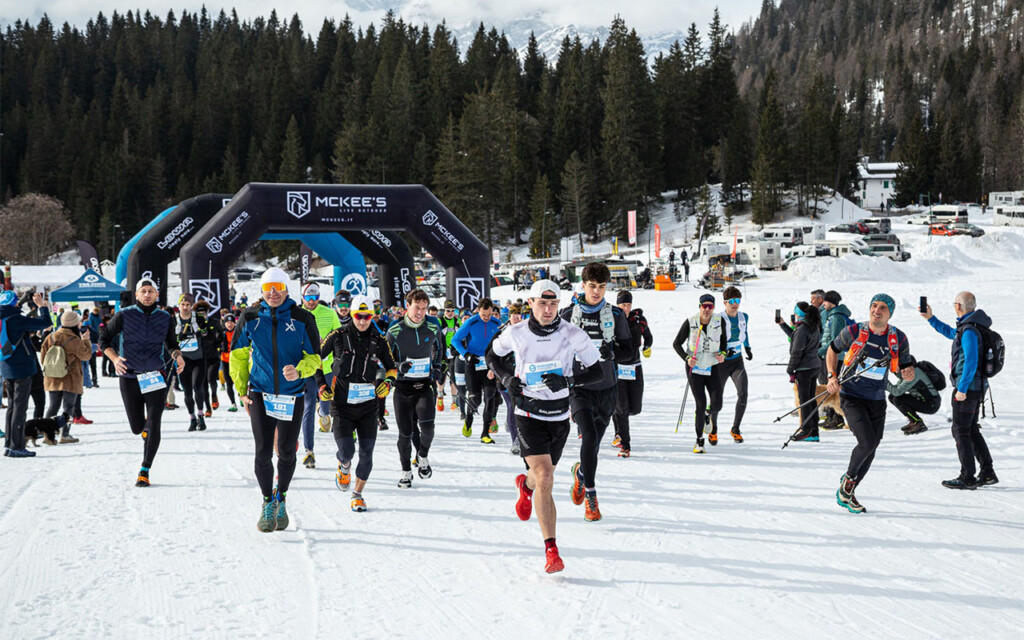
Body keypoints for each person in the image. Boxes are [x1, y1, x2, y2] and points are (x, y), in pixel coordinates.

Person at [485, 279, 602, 573]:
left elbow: (598, 371)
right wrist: (506, 378)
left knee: (540, 478)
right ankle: (552, 551)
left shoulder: (572, 334)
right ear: (531, 303)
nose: (548, 310)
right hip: (526, 413)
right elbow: (492, 356)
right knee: (546, 476)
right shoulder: (516, 332)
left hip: (559, 416)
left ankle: (525, 487)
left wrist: (569, 381)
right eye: (542, 303)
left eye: (553, 304)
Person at [230, 267, 322, 532]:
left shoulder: (302, 317)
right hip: (260, 393)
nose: (273, 293)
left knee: (285, 451)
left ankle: (281, 496)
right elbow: (238, 355)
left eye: (278, 288)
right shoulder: (249, 317)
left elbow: (315, 357)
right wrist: (242, 390)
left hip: (292, 395)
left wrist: (299, 371)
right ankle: (267, 501)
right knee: (261, 451)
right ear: (262, 290)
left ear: (286, 290)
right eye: (268, 288)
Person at [826, 293, 915, 513]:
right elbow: (832, 350)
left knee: (872, 447)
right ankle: (847, 485)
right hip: (851, 396)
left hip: (877, 399)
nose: (877, 310)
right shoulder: (854, 331)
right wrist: (831, 375)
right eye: (874, 306)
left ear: (890, 313)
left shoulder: (899, 338)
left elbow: (904, 367)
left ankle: (850, 489)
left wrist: (909, 372)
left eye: (883, 307)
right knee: (866, 442)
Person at [560, 262, 631, 521]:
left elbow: (630, 350)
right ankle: (591, 496)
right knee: (588, 438)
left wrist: (613, 353)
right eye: (592, 286)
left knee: (594, 446)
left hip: (607, 389)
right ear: (583, 285)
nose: (597, 292)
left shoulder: (616, 315)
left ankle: (581, 473)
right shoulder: (568, 315)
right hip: (579, 389)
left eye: (602, 287)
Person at [100, 278, 185, 485]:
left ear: (157, 294)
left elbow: (172, 344)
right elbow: (103, 340)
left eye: (151, 291)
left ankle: (144, 469)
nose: (147, 295)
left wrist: (178, 355)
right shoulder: (124, 315)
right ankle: (144, 430)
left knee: (155, 422)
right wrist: (115, 358)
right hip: (130, 376)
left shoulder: (165, 317)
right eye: (143, 291)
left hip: (155, 376)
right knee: (138, 427)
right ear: (137, 294)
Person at [317, 295, 397, 512]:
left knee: (367, 453)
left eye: (367, 316)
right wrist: (321, 386)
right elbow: (315, 358)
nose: (363, 321)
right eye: (359, 316)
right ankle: (343, 466)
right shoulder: (337, 335)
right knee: (347, 451)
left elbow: (392, 367)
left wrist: (388, 383)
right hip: (342, 404)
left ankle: (358, 494)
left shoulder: (379, 340)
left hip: (368, 406)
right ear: (352, 315)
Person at [922, 292, 998, 488]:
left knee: (960, 430)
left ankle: (968, 476)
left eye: (955, 303)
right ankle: (987, 472)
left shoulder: (970, 331)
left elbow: (971, 362)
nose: (954, 306)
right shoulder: (970, 327)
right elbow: (951, 333)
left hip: (969, 388)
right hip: (975, 386)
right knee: (970, 429)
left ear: (959, 307)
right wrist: (931, 319)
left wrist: (962, 389)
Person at [386, 289, 446, 487]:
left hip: (423, 387)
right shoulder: (395, 329)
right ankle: (405, 472)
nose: (420, 312)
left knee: (427, 428)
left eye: (424, 308)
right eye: (416, 308)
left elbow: (440, 352)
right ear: (407, 307)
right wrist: (398, 368)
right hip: (403, 389)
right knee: (405, 434)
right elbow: (385, 360)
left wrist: (437, 369)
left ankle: (422, 457)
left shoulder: (433, 326)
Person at [2, 290, 54, 457]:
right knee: (20, 407)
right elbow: (46, 322)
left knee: (11, 406)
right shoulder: (16, 319)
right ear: (15, 304)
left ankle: (10, 443)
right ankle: (17, 447)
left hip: (5, 365)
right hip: (22, 367)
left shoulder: (4, 318)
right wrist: (42, 306)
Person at [673, 293, 727, 453]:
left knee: (717, 404)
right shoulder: (691, 322)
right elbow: (676, 343)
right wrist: (687, 358)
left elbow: (724, 341)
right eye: (705, 306)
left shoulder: (719, 321)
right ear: (700, 306)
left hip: (712, 366)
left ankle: (706, 415)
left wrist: (723, 354)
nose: (707, 309)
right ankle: (699, 441)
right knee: (700, 402)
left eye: (710, 306)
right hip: (694, 369)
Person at [299, 282, 341, 469]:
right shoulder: (296, 314)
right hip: (308, 368)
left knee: (326, 403)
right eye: (309, 298)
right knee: (308, 404)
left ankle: (323, 413)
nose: (312, 301)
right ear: (302, 298)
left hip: (327, 367)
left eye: (316, 297)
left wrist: (328, 345)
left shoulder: (330, 313)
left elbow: (340, 337)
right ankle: (309, 451)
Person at [452, 298, 503, 443]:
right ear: (478, 310)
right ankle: (468, 419)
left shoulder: (496, 323)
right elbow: (455, 340)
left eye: (489, 315)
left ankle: (485, 433)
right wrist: (466, 354)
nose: (486, 318)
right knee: (475, 399)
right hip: (473, 364)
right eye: (483, 315)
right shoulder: (471, 322)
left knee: (490, 397)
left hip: (489, 364)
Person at [40, 310, 93, 444]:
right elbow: (86, 355)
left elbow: (43, 358)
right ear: (74, 324)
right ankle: (65, 434)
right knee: (68, 408)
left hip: (52, 377)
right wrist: (86, 340)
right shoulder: (74, 340)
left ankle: (47, 434)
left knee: (52, 407)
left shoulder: (50, 337)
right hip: (70, 379)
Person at [612, 290, 652, 457]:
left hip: (634, 366)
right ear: (618, 305)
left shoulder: (639, 319)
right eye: (623, 305)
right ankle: (624, 443)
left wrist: (647, 346)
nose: (626, 308)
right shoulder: (612, 319)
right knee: (622, 407)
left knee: (635, 408)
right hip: (618, 367)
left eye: (628, 304)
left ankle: (618, 425)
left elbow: (648, 336)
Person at [777, 301, 822, 442]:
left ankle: (806, 430)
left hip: (805, 369)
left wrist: (790, 369)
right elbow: (796, 338)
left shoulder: (803, 329)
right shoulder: (811, 325)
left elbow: (796, 351)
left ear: (799, 314)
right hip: (814, 366)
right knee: (811, 400)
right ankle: (814, 432)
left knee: (804, 401)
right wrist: (783, 325)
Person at [717, 286, 752, 444]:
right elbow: (713, 340)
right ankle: (712, 427)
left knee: (743, 393)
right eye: (731, 301)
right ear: (725, 303)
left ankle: (736, 428)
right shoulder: (718, 319)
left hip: (737, 361)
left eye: (737, 301)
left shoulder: (744, 316)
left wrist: (748, 347)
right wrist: (723, 352)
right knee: (717, 397)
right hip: (722, 363)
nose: (735, 304)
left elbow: (745, 334)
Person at [175, 293, 212, 431]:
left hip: (198, 359)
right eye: (182, 305)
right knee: (187, 391)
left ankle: (201, 415)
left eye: (188, 305)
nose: (185, 307)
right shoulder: (174, 320)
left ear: (191, 306)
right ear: (178, 306)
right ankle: (192, 418)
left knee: (197, 387)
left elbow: (207, 333)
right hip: (183, 360)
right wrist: (179, 338)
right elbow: (170, 340)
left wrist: (201, 332)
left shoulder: (199, 319)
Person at [818, 291, 853, 429]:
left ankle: (837, 419)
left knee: (833, 388)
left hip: (835, 358)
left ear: (831, 302)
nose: (823, 304)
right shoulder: (832, 316)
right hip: (830, 355)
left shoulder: (837, 318)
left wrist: (820, 351)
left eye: (825, 301)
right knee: (829, 386)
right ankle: (832, 417)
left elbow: (835, 341)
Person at [887, 358, 941, 435]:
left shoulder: (913, 374)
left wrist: (883, 381)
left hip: (931, 404)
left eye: (894, 365)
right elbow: (897, 388)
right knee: (892, 397)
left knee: (898, 399)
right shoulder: (906, 373)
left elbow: (897, 392)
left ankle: (918, 423)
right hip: (924, 399)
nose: (892, 369)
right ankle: (913, 421)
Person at [194, 300, 223, 417]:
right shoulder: (195, 324)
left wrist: (219, 345)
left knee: (211, 379)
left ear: (207, 313)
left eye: (204, 313)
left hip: (213, 356)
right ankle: (208, 407)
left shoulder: (214, 322)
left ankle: (214, 395)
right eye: (199, 314)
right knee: (203, 384)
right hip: (200, 357)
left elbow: (221, 335)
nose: (202, 316)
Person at [437, 299, 461, 411]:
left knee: (453, 377)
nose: (450, 313)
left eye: (452, 310)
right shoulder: (440, 321)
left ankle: (454, 401)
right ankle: (440, 396)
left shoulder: (457, 321)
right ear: (444, 310)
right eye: (448, 310)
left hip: (454, 351)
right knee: (441, 377)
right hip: (443, 352)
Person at [218, 314, 239, 412]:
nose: (229, 324)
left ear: (235, 323)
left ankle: (241, 396)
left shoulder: (239, 332)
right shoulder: (222, 333)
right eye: (227, 322)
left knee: (239, 381)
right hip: (225, 360)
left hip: (237, 359)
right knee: (228, 382)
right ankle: (233, 403)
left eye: (231, 322)